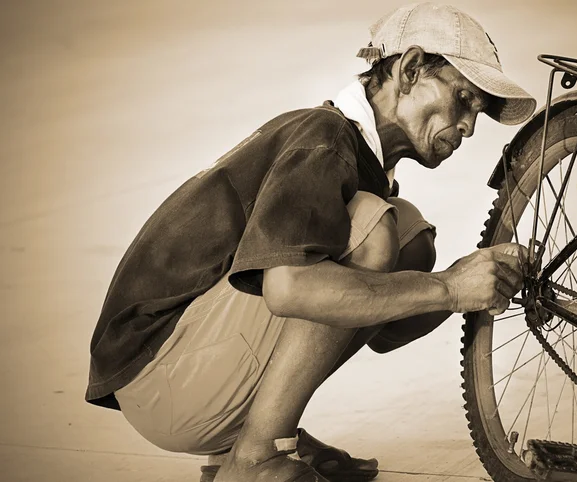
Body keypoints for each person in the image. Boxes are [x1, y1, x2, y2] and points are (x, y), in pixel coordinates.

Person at [85, 3, 537, 481]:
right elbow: (290, 290)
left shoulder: (358, 158)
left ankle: (255, 438)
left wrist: (468, 280)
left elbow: (385, 330)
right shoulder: (322, 139)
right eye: (463, 99)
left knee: (410, 239)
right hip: (162, 374)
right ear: (409, 70)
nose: (468, 125)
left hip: (184, 369)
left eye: (478, 113)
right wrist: (448, 288)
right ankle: (255, 458)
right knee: (375, 230)